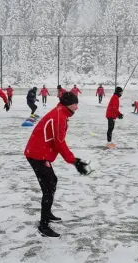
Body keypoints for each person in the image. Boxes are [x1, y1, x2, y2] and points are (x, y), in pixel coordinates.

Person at [24, 92, 91, 237]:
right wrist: (75, 161)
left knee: (52, 181)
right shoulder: (60, 116)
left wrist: (74, 160)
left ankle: (47, 214)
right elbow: (59, 142)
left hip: (39, 152)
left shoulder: (61, 112)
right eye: (75, 104)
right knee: (48, 187)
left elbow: (58, 141)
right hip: (37, 154)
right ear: (69, 104)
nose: (77, 107)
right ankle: (43, 225)